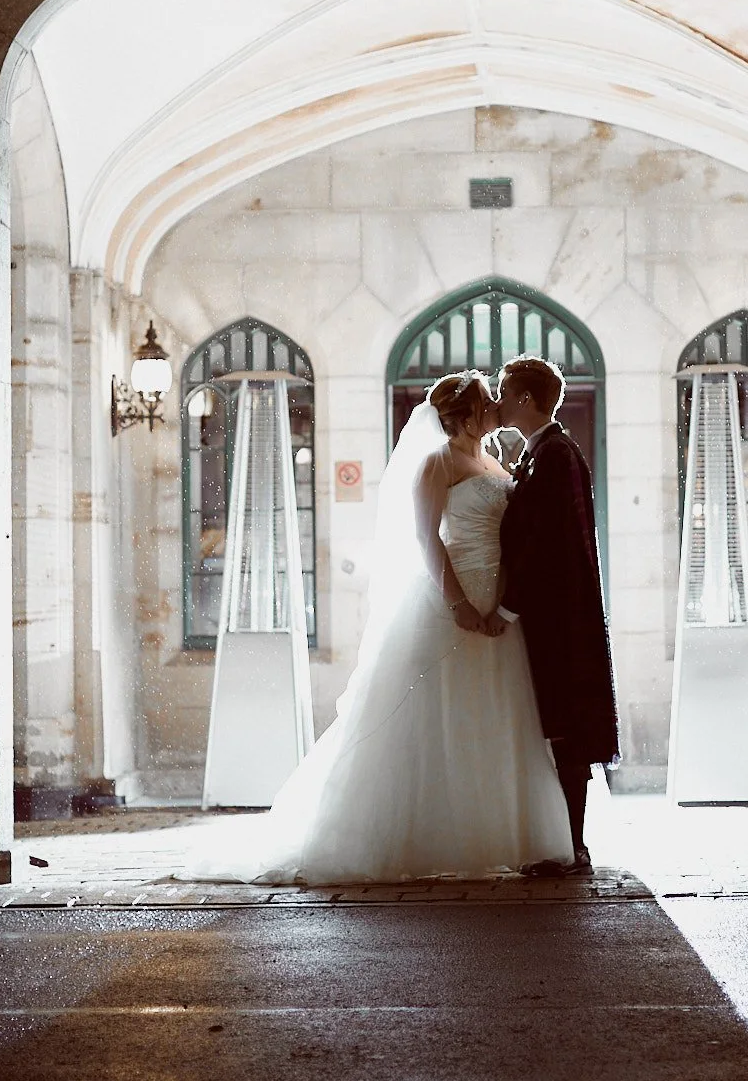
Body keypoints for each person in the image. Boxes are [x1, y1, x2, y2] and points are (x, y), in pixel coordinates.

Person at [173, 371, 573, 883]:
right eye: (485, 401)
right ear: (466, 413)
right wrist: (457, 604)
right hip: (457, 602)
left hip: (499, 604)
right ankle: (419, 834)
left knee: (494, 716)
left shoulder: (495, 461)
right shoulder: (438, 463)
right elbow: (427, 540)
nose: (496, 406)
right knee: (434, 718)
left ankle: (502, 832)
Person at [491, 355, 621, 875]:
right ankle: (567, 843)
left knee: (566, 731)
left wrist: (507, 605)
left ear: (526, 399)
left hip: (560, 623)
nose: (499, 400)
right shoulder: (541, 452)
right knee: (559, 730)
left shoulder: (554, 455)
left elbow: (544, 545)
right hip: (554, 618)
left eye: (505, 391)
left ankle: (573, 847)